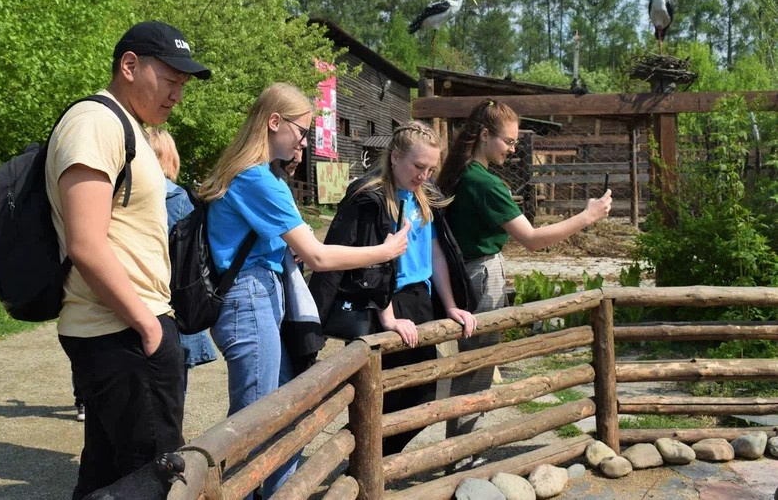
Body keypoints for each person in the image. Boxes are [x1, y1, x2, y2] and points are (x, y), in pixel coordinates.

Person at [198, 82, 410, 498]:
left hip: (261, 295)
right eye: (301, 130)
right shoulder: (256, 179)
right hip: (249, 299)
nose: (304, 141)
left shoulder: (258, 175)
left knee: (278, 407)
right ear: (274, 122)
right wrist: (384, 251)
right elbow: (318, 256)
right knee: (254, 417)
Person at [45, 20, 211, 499]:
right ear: (130, 65)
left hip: (123, 332)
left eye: (183, 84)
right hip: (123, 333)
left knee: (107, 477)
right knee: (152, 479)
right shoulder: (97, 123)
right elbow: (86, 243)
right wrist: (149, 327)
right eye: (171, 79)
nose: (177, 94)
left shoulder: (124, 125)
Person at [436, 99, 612, 461]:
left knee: (473, 363)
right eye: (509, 141)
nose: (513, 149)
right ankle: (463, 452)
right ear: (484, 136)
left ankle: (461, 448)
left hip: (462, 275)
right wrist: (588, 216)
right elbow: (531, 239)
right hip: (481, 276)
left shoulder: (459, 173)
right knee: (478, 366)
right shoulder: (484, 183)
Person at [309, 121, 478, 457]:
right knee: (383, 392)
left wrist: (450, 304)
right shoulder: (369, 197)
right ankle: (368, 462)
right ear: (395, 157)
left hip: (420, 299)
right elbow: (370, 265)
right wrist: (387, 317)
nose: (424, 176)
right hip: (385, 303)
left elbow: (437, 254)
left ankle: (378, 459)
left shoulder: (424, 197)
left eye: (430, 169)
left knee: (423, 388)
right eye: (418, 166)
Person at [148, 127, 218, 396]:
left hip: (134, 299)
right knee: (172, 395)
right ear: (171, 158)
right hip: (174, 305)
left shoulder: (122, 197)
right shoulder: (182, 200)